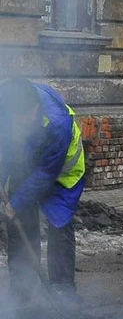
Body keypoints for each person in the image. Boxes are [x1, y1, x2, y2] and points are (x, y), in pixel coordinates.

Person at [0, 78, 86, 302]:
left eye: (24, 120)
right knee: (20, 223)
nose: (21, 126)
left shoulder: (58, 123)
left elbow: (46, 174)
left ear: (35, 108)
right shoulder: (7, 100)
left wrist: (15, 203)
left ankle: (62, 289)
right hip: (26, 164)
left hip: (61, 173)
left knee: (59, 223)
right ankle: (23, 288)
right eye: (16, 122)